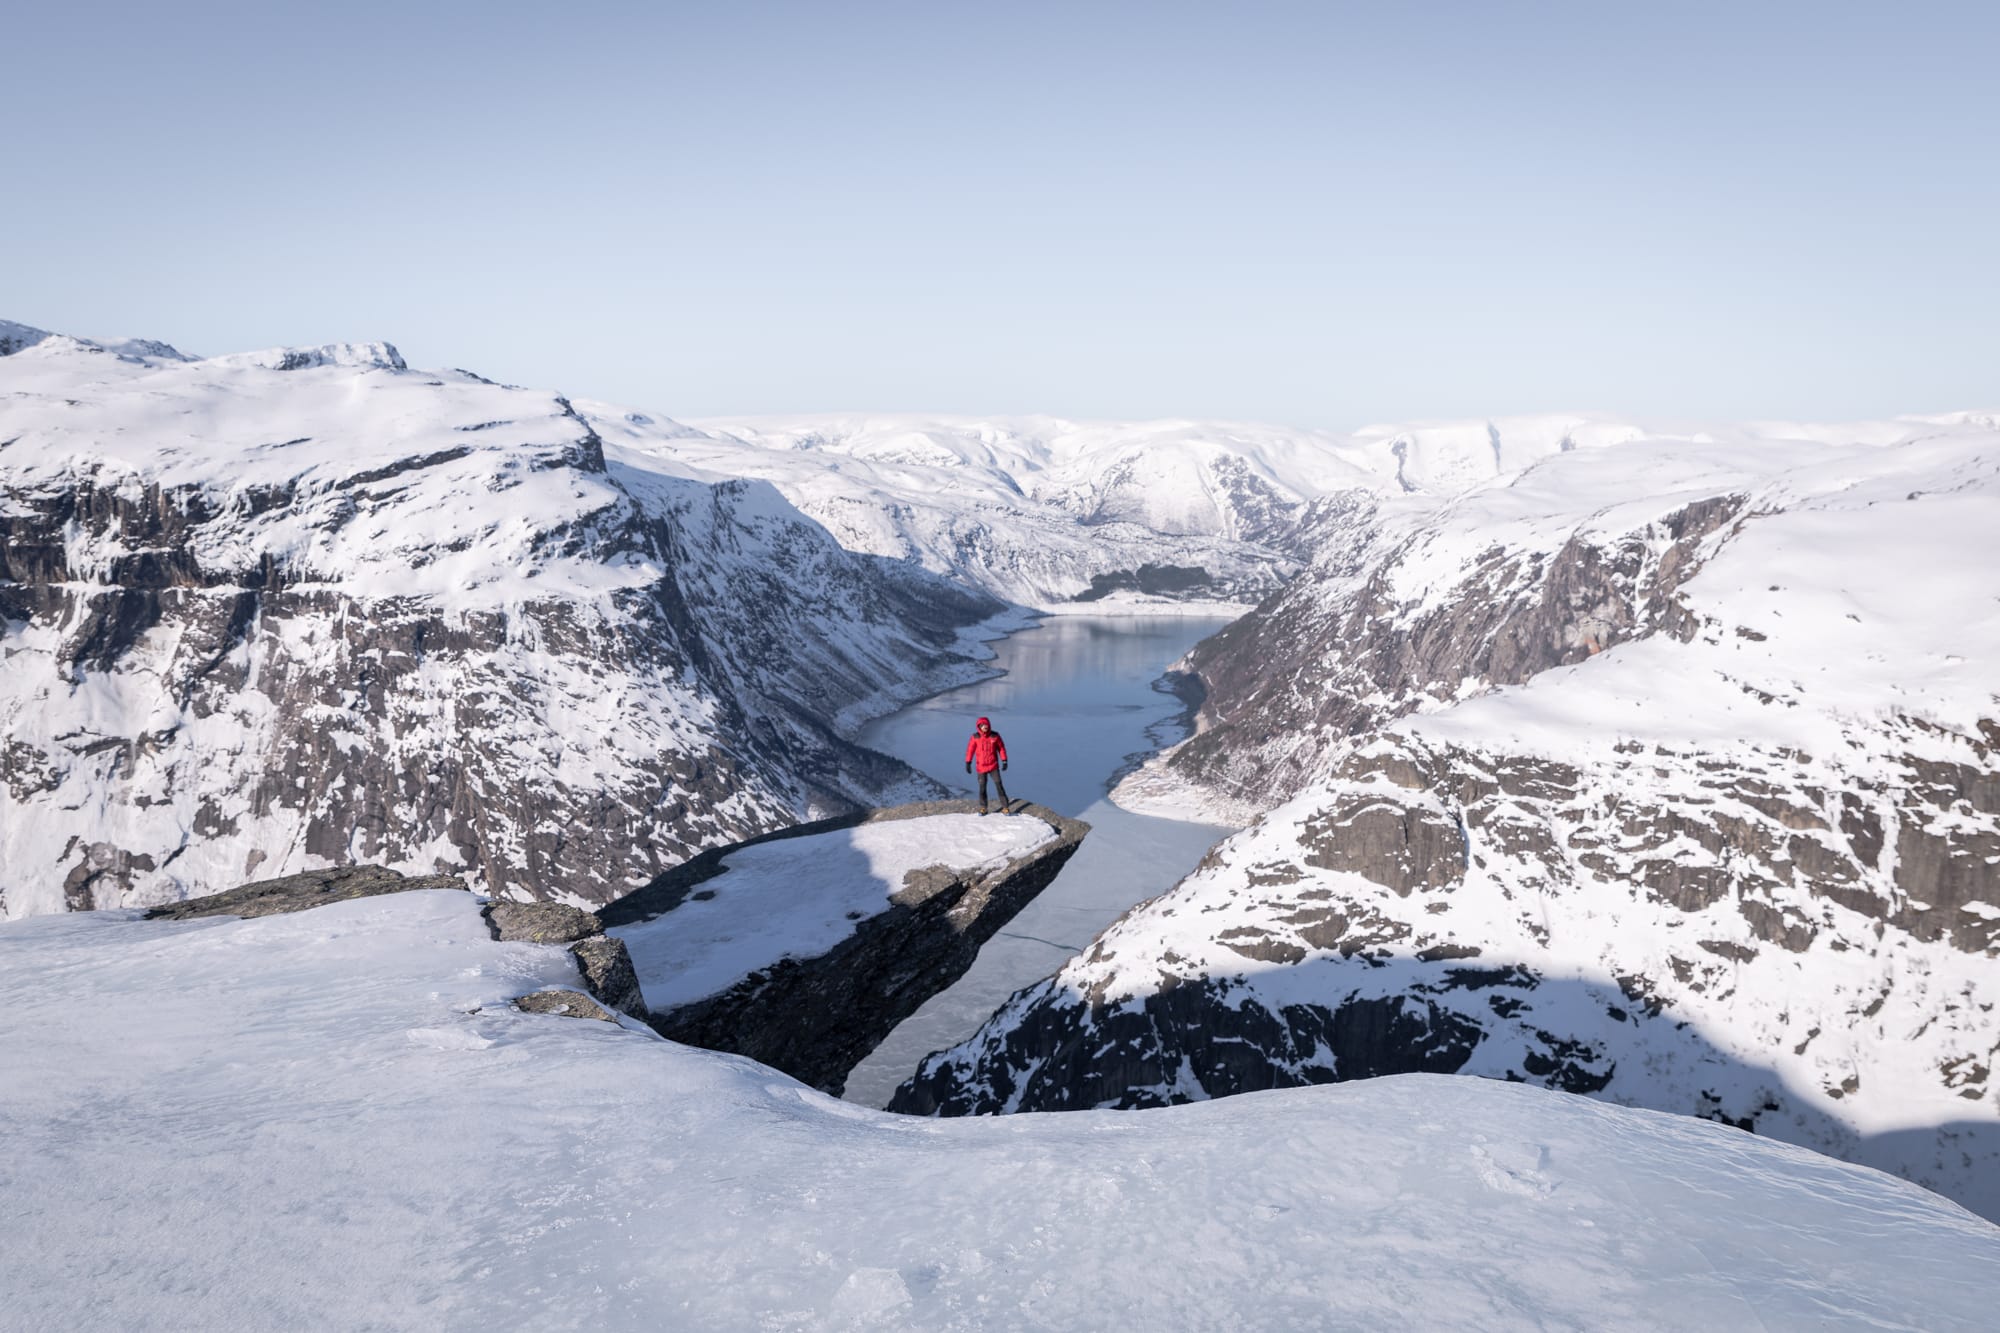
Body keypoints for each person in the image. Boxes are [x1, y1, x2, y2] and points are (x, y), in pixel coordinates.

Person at [963, 715, 1010, 815]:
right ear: (979, 726)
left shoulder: (995, 736)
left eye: (986, 725)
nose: (984, 726)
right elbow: (970, 750)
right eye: (982, 725)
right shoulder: (975, 737)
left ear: (989, 725)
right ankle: (983, 807)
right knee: (982, 787)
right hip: (981, 767)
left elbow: (1001, 748)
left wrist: (1004, 760)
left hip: (993, 766)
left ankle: (1005, 807)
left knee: (999, 785)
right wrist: (968, 762)